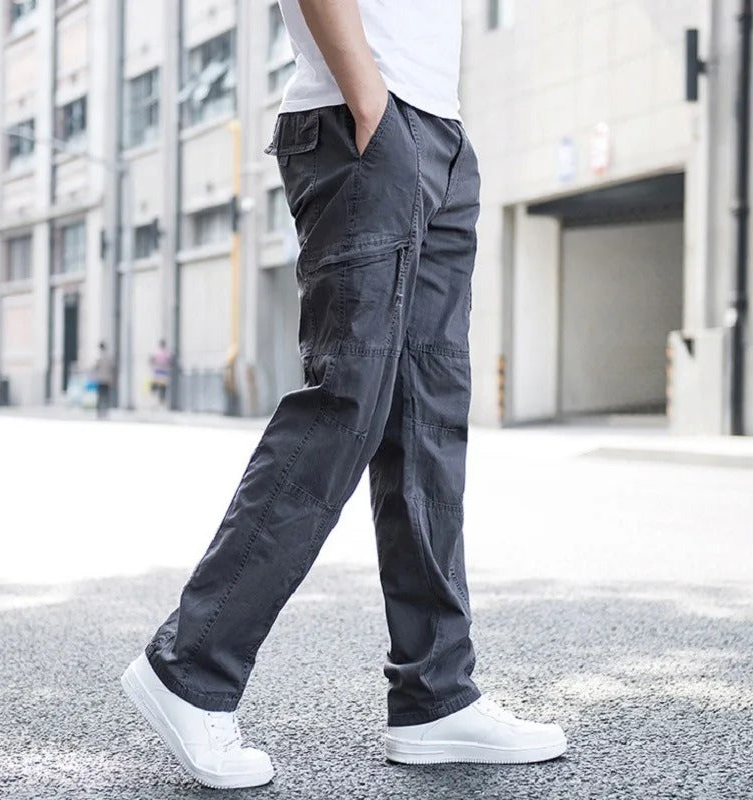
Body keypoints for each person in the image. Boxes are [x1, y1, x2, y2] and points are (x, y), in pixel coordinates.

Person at [121, 0, 567, 789]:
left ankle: (436, 695)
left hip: (439, 131)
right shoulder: (366, 112)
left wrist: (420, 127)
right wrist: (372, 107)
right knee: (344, 407)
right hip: (363, 121)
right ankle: (190, 668)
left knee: (427, 421)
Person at [92, 341, 113, 420]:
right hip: (107, 380)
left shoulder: (99, 357)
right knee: (106, 397)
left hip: (100, 380)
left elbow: (95, 368)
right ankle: (106, 412)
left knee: (100, 397)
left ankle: (100, 413)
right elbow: (111, 369)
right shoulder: (108, 357)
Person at [149, 339, 172, 408]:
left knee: (156, 384)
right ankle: (161, 399)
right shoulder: (166, 352)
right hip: (163, 371)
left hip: (158, 370)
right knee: (162, 387)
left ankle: (155, 395)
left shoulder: (157, 352)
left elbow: (152, 359)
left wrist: (154, 364)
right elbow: (169, 361)